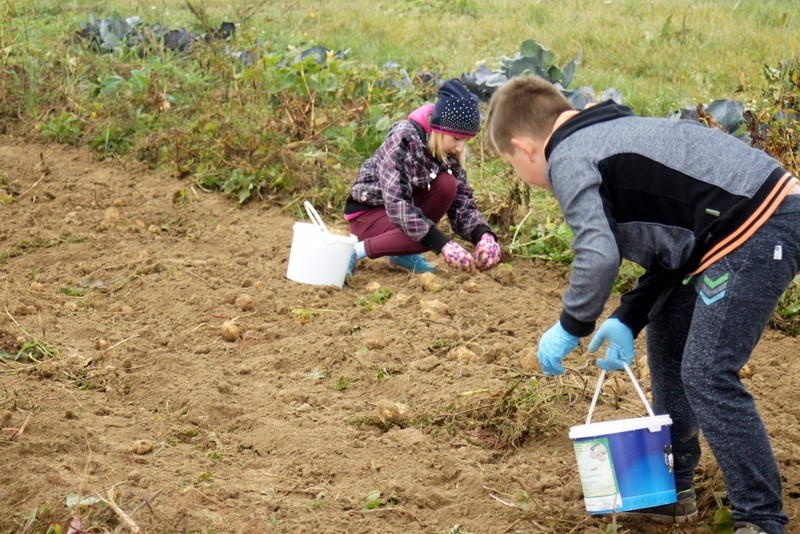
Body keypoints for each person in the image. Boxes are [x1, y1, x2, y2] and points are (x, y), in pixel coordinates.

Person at [485, 75, 800, 534]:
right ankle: (674, 489)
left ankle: (760, 517)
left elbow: (598, 252)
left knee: (708, 372)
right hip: (741, 228)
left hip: (756, 229)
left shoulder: (569, 156)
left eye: (513, 165)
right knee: (669, 336)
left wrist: (571, 325)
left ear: (525, 147)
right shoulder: (608, 134)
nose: (526, 179)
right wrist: (628, 316)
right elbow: (675, 247)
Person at [344, 79, 501, 275]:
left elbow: (462, 203)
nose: (461, 147)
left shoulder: (448, 151)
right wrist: (442, 244)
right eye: (457, 139)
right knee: (428, 238)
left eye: (466, 141)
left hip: (397, 216)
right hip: (368, 216)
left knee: (447, 185)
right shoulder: (404, 138)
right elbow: (396, 204)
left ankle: (402, 254)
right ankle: (354, 251)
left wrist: (484, 235)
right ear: (440, 130)